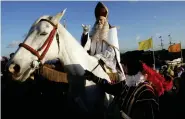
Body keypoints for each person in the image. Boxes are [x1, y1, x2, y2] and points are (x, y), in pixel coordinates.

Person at [83, 50, 173, 119]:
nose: (122, 67)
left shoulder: (147, 93)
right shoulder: (127, 84)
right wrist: (93, 77)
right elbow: (110, 88)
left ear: (131, 67)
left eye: (124, 65)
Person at [81, 2, 125, 83]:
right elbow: (87, 46)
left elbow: (112, 51)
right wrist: (85, 34)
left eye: (101, 20)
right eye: (98, 20)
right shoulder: (93, 32)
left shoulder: (111, 31)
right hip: (92, 63)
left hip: (106, 65)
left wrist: (97, 58)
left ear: (105, 20)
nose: (99, 22)